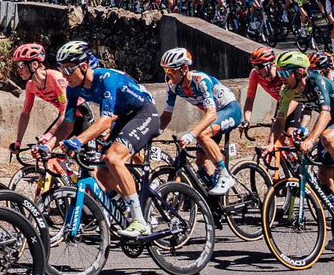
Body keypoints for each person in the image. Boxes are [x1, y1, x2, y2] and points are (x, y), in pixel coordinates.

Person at [57, 43, 158, 237]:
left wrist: (78, 141)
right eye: (61, 69)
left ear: (84, 66)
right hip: (123, 117)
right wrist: (47, 144)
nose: (65, 75)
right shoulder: (73, 89)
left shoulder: (106, 78)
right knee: (102, 172)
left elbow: (104, 121)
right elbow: (67, 125)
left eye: (69, 69)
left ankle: (140, 221)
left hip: (144, 113)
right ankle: (127, 202)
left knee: (114, 158)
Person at [275, 50, 334, 205]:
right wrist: (272, 143)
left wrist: (311, 140)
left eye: (284, 72)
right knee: (324, 173)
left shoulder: (319, 81)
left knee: (327, 137)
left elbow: (325, 113)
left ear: (299, 72)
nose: (281, 77)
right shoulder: (288, 91)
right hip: (333, 122)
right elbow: (280, 120)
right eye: (279, 73)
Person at [158, 48, 241, 195]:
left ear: (184, 69)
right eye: (166, 72)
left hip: (230, 110)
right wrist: (151, 134)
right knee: (201, 160)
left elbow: (211, 113)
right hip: (215, 117)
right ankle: (213, 200)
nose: (169, 76)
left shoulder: (200, 80)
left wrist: (191, 134)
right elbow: (166, 116)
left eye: (171, 71)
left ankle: (225, 176)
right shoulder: (173, 86)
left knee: (202, 135)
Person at [9, 42, 73, 151]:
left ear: (34, 65)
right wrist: (18, 141)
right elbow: (25, 114)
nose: (18, 70)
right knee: (42, 148)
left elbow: (66, 110)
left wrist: (50, 133)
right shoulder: (31, 86)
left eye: (21, 65)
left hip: (78, 114)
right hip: (66, 117)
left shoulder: (55, 78)